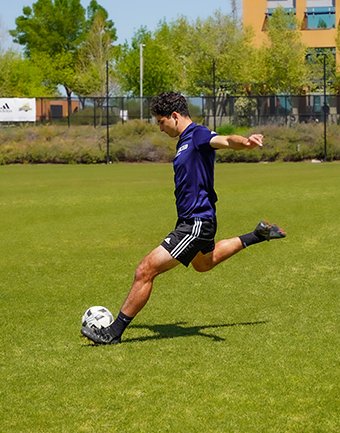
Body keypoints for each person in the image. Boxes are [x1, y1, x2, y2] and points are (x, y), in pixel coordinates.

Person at [81, 91, 286, 345]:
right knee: (204, 263)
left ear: (175, 116)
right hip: (196, 220)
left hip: (196, 222)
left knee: (145, 270)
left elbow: (224, 140)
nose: (159, 127)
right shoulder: (183, 141)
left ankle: (113, 333)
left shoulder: (197, 135)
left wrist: (245, 142)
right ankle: (257, 235)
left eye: (160, 121)